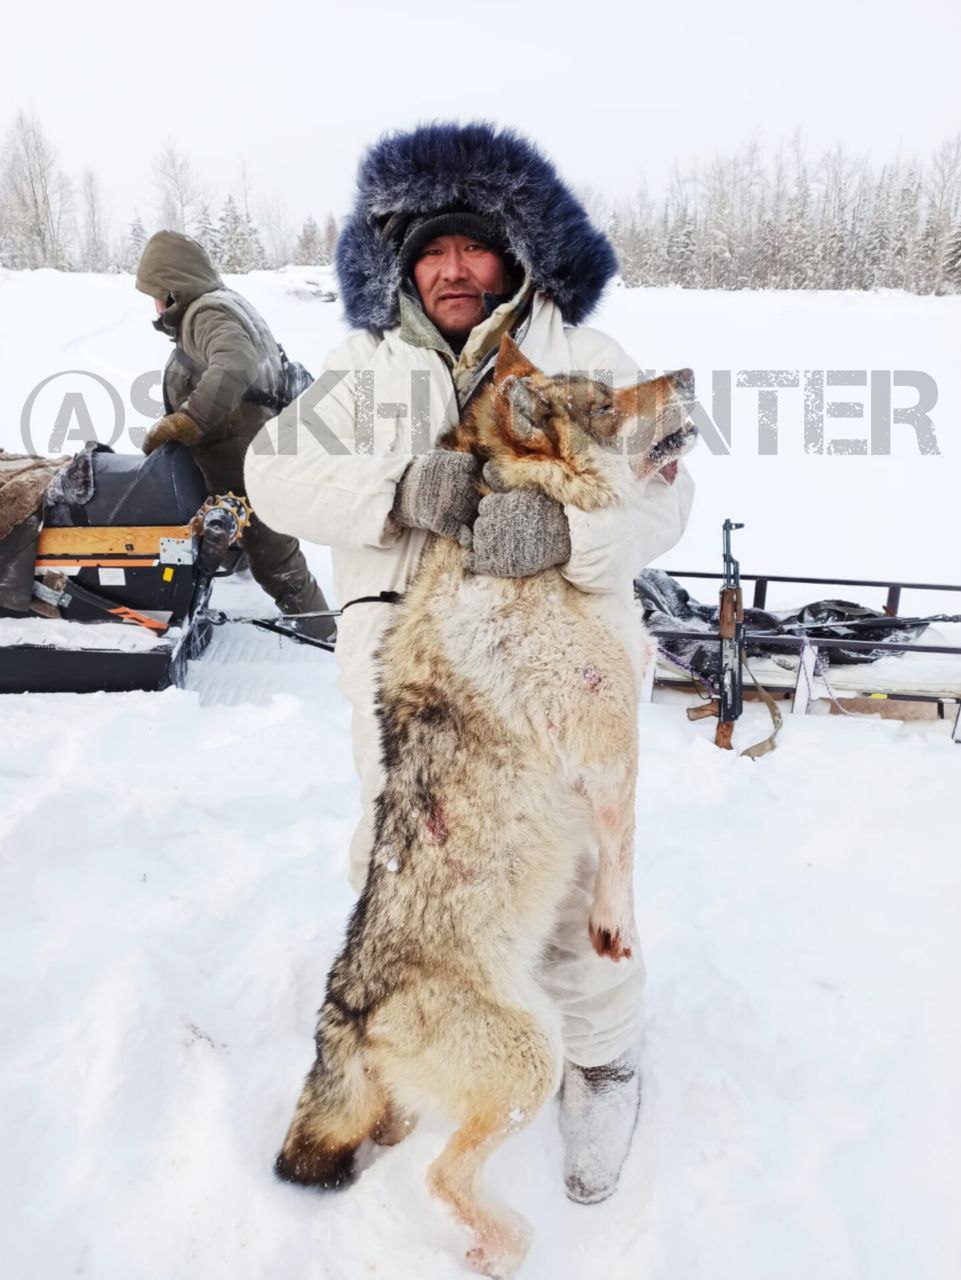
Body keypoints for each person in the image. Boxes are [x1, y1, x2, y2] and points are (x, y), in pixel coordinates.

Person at [244, 122, 695, 1203]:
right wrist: (394, 494)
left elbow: (672, 494)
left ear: (516, 253)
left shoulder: (588, 362)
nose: (450, 267)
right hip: (415, 679)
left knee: (579, 863)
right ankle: (413, 1042)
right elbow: (271, 476)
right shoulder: (363, 371)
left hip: (554, 662)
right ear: (398, 261)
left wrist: (571, 537)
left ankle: (600, 1057)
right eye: (429, 249)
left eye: (472, 245)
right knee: (404, 869)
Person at [135, 230, 334, 641]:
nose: (154, 305)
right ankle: (238, 570)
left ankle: (324, 635)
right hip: (250, 449)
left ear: (174, 288)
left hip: (246, 455)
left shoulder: (204, 314)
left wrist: (188, 420)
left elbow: (236, 362)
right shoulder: (221, 304)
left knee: (275, 556)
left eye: (156, 293)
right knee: (242, 526)